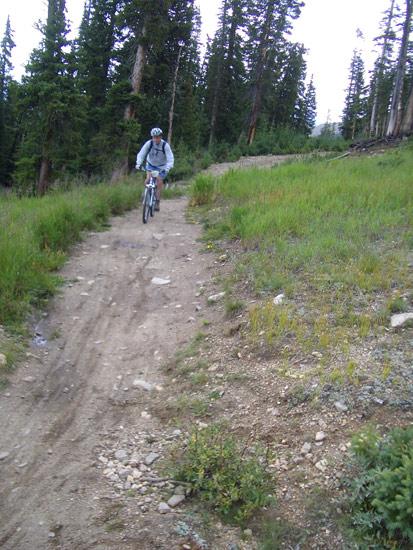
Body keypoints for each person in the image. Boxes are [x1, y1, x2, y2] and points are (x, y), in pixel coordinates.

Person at [135, 128, 174, 211]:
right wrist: (138, 163)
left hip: (161, 167)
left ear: (161, 137)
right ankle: (145, 193)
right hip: (150, 165)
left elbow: (170, 158)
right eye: (154, 137)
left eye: (158, 137)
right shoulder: (149, 144)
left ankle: (157, 202)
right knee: (148, 179)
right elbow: (141, 154)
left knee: (159, 181)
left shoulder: (165, 145)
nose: (156, 139)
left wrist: (168, 168)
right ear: (152, 137)